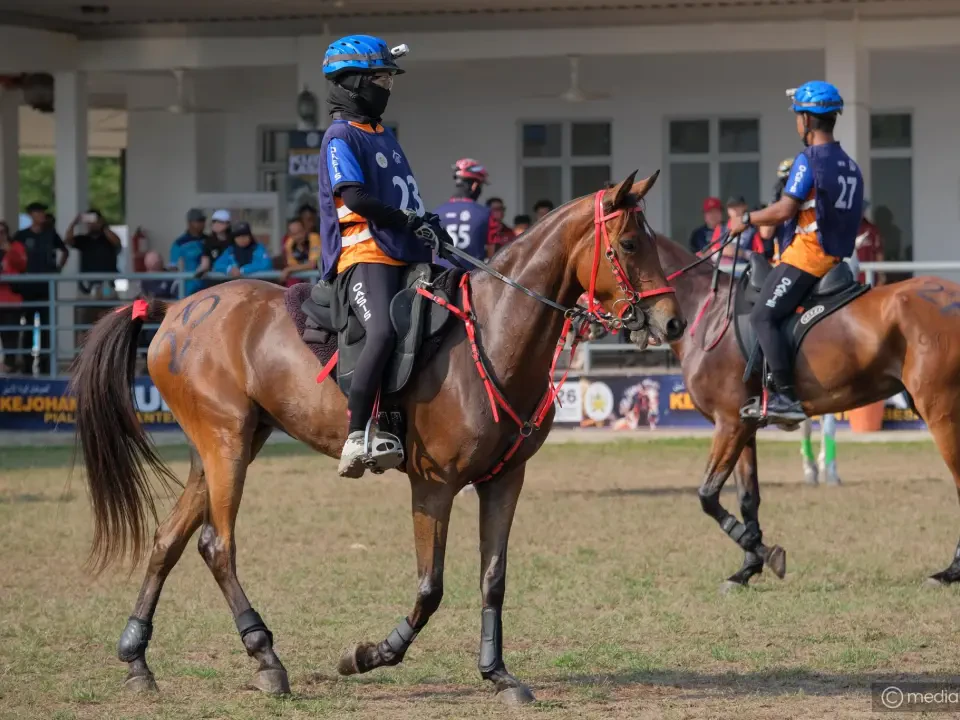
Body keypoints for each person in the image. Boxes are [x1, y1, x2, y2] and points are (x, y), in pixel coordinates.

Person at [317, 34, 445, 477]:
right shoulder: (340, 136)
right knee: (385, 333)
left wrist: (425, 220)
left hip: (405, 247)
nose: (387, 88)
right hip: (366, 252)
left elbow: (401, 197)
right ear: (351, 83)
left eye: (389, 80)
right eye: (381, 79)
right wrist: (408, 221)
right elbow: (354, 196)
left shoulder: (382, 134)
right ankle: (357, 434)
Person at [729, 80, 863, 424]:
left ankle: (786, 397)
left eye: (797, 116)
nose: (796, 123)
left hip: (807, 257)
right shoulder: (850, 164)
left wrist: (745, 219)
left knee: (761, 316)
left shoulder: (809, 160)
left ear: (806, 119)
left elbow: (784, 211)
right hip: (836, 258)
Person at [13, 202, 68, 374]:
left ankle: (46, 366)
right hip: (28, 288)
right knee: (28, 327)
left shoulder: (50, 234)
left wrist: (57, 269)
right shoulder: (22, 235)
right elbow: (13, 256)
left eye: (43, 212)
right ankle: (27, 366)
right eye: (38, 212)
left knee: (47, 328)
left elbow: (64, 250)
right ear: (31, 215)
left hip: (46, 289)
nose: (41, 215)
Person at [65, 209, 122, 342]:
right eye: (89, 221)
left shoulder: (107, 238)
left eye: (94, 220)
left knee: (112, 321)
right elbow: (68, 240)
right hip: (87, 288)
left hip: (107, 286)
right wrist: (75, 222)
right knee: (84, 321)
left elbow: (117, 242)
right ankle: (83, 356)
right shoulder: (84, 240)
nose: (91, 224)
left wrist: (103, 226)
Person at [432, 158, 491, 266]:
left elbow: (430, 252)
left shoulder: (436, 212)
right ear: (474, 186)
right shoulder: (486, 214)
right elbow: (493, 255)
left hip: (440, 279)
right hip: (472, 280)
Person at [0, 221, 27, 373]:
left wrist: (8, 250)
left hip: (11, 299)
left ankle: (11, 364)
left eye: (2, 232)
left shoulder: (15, 247)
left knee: (11, 334)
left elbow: (22, 265)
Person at [171, 208, 209, 296]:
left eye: (203, 220)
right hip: (186, 289)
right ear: (189, 222)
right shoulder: (180, 242)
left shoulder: (209, 240)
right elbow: (173, 266)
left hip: (207, 287)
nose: (202, 224)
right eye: (198, 221)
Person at [281, 217, 322, 285]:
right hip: (305, 281)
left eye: (300, 232)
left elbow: (312, 264)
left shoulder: (314, 238)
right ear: (289, 235)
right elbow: (293, 266)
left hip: (321, 279)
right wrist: (291, 269)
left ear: (305, 230)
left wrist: (288, 269)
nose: (299, 236)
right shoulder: (289, 244)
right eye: (294, 234)